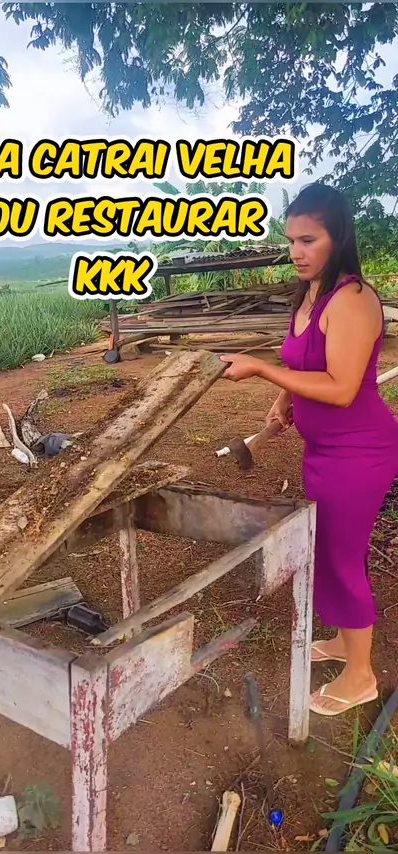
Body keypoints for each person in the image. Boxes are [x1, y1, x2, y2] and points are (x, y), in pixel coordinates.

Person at [220, 182, 398, 717]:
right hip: (324, 450)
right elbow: (304, 363)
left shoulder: (353, 300)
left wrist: (261, 369)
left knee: (341, 557)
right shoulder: (310, 293)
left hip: (359, 451)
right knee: (336, 549)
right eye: (290, 240)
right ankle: (346, 641)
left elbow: (342, 388)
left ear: (336, 237)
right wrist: (285, 399)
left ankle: (361, 676)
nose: (296, 252)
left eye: (308, 240)